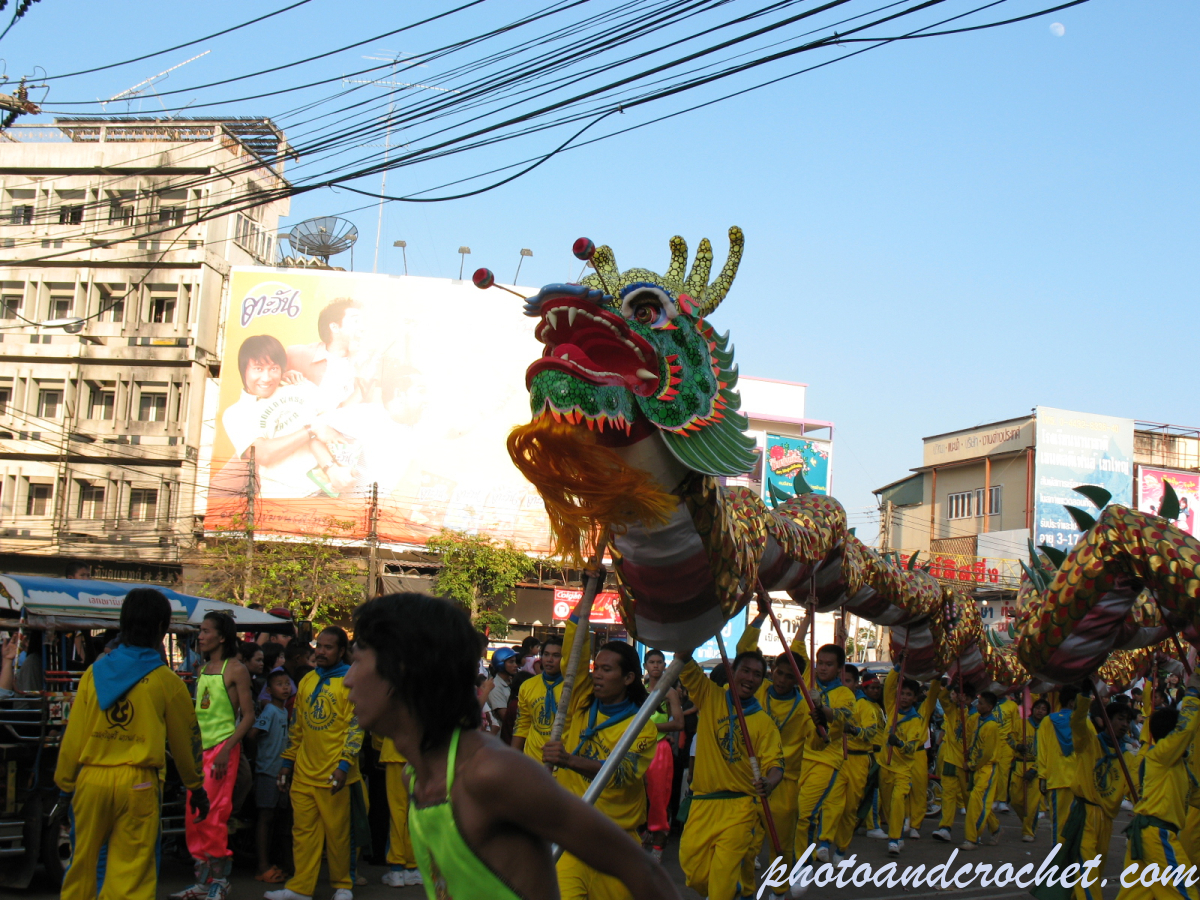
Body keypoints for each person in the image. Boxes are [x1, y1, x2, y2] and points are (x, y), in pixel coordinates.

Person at [344, 592, 681, 900]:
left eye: (357, 661)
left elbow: (642, 869)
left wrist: (569, 760)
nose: (347, 679)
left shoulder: (491, 774)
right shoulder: (415, 779)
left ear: (402, 672)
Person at [55, 588, 209, 900]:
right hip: (138, 784)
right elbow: (187, 741)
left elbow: (73, 738)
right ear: (162, 628)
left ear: (122, 624)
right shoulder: (167, 681)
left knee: (81, 867)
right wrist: (196, 787)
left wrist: (64, 787)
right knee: (131, 875)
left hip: (90, 781)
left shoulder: (93, 673)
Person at [542, 610, 661, 899]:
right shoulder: (582, 698)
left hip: (617, 845)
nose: (597, 674)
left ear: (629, 677)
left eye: (607, 670)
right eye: (598, 667)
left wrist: (569, 760)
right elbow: (575, 651)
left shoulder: (641, 729)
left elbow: (619, 774)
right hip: (572, 836)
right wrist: (586, 598)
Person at [678, 646, 784, 900]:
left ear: (762, 680)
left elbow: (776, 766)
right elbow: (683, 660)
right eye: (745, 671)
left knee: (721, 883)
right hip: (702, 802)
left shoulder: (764, 723)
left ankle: (728, 890)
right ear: (732, 672)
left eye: (757, 674)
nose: (750, 678)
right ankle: (736, 891)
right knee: (694, 874)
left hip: (740, 808)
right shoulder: (710, 696)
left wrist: (769, 783)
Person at [268, 627, 364, 900]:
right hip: (304, 772)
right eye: (318, 645)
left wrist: (344, 765)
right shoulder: (308, 680)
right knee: (303, 833)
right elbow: (297, 725)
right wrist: (287, 762)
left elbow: (355, 728)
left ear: (341, 651)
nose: (320, 651)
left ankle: (342, 885)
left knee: (338, 836)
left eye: (328, 647)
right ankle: (300, 888)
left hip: (335, 774)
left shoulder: (350, 681)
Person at [172, 612, 256, 900]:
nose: (201, 635)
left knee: (214, 816)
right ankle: (203, 881)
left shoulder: (236, 669)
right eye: (200, 630)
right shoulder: (203, 669)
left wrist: (227, 748)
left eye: (206, 630)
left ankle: (221, 880)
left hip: (222, 753)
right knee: (195, 816)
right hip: (200, 755)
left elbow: (248, 717)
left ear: (222, 636)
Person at [221, 333, 354, 499]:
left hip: (331, 490)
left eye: (274, 369)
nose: (266, 378)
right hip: (284, 500)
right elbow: (264, 454)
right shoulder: (236, 413)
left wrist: (333, 467)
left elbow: (331, 422)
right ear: (244, 369)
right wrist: (311, 429)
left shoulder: (298, 386)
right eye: (258, 369)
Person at [1114, 669, 1200, 900]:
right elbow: (1187, 729)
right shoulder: (1160, 754)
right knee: (1185, 894)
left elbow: (1197, 797)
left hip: (1146, 834)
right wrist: (1192, 692)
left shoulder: (1180, 768)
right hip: (1157, 833)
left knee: (1135, 896)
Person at [793, 642, 856, 870]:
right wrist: (807, 614)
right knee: (790, 814)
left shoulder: (845, 693)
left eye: (829, 665)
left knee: (804, 814)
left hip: (826, 761)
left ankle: (803, 865)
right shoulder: (807, 680)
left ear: (840, 669)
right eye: (820, 663)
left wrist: (821, 708)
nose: (822, 668)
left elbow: (841, 717)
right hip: (797, 757)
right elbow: (796, 648)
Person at [879, 672, 941, 856]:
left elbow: (932, 696)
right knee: (890, 803)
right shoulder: (891, 708)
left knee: (915, 791)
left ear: (915, 698)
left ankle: (906, 830)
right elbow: (889, 687)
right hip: (886, 763)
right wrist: (897, 668)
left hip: (910, 760)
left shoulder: (920, 715)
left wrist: (937, 676)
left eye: (908, 695)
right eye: (902, 693)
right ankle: (897, 827)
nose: (904, 698)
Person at [640, 647, 683, 862]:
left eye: (660, 662)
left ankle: (658, 846)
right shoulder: (639, 691)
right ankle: (645, 835)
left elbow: (679, 722)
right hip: (638, 748)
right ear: (645, 666)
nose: (656, 665)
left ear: (665, 665)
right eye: (652, 662)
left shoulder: (670, 692)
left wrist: (654, 730)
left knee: (659, 798)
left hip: (660, 749)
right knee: (637, 797)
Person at [285, 298, 366, 413]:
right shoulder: (300, 354)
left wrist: (354, 363)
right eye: (356, 321)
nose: (363, 328)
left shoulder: (365, 365)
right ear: (334, 327)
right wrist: (283, 376)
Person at [251, 669, 293, 884]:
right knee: (266, 817)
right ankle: (263, 865)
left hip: (280, 770)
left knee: (279, 817)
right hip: (268, 771)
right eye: (279, 684)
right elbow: (253, 734)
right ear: (269, 690)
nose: (285, 687)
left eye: (287, 683)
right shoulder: (269, 712)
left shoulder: (284, 712)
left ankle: (278, 862)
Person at [839, 662, 885, 852]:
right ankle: (872, 825)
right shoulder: (860, 705)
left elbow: (873, 731)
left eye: (877, 688)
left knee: (867, 794)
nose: (875, 691)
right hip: (859, 755)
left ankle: (867, 824)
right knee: (868, 793)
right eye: (872, 688)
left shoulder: (873, 706)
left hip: (875, 754)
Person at [376, 732, 423, 889]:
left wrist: (380, 745)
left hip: (394, 751)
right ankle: (412, 866)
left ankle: (397, 868)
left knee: (397, 811)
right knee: (413, 810)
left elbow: (378, 730)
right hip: (418, 754)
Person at [1039, 685, 1081, 843]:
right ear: (1072, 703)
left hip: (1056, 779)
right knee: (1078, 825)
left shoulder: (1047, 721)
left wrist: (1042, 776)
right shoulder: (1083, 722)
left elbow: (1041, 751)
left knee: (1058, 825)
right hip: (1079, 780)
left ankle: (1058, 861)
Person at [932, 681, 972, 843]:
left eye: (962, 695)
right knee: (948, 794)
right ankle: (945, 827)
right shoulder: (951, 710)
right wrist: (951, 682)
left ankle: (991, 825)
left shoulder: (975, 715)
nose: (957, 697)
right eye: (956, 694)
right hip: (950, 759)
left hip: (966, 763)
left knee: (970, 797)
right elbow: (941, 696)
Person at [512, 636, 564, 761]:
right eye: (546, 654)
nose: (549, 660)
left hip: (563, 763)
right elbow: (522, 725)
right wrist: (512, 760)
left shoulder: (573, 687)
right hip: (532, 760)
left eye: (556, 655)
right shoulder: (527, 686)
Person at [961, 690, 1001, 850]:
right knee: (979, 802)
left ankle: (973, 837)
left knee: (977, 803)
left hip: (986, 768)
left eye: (982, 703)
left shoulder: (991, 726)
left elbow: (986, 754)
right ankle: (996, 828)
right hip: (976, 766)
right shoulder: (977, 719)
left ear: (990, 707)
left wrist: (971, 765)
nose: (978, 705)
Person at [1013, 697, 1051, 842]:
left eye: (1043, 709)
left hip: (1037, 768)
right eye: (1038, 708)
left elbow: (1046, 753)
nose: (1040, 711)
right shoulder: (1020, 724)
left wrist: (1034, 770)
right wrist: (1017, 746)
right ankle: (1028, 821)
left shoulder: (1047, 730)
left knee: (1032, 804)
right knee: (1016, 800)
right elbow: (1009, 737)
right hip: (1019, 765)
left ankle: (1028, 831)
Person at [487, 647, 519, 732]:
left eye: (515, 661)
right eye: (511, 662)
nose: (515, 665)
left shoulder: (510, 682)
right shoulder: (496, 686)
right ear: (501, 664)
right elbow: (505, 716)